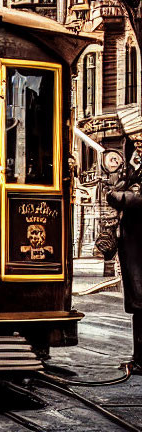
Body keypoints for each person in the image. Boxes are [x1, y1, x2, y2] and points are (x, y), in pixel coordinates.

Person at [107, 134, 142, 374]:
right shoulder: (133, 166)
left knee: (140, 301)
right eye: (136, 143)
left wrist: (118, 197)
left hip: (139, 244)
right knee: (138, 305)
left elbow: (137, 198)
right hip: (134, 243)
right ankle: (139, 358)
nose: (138, 146)